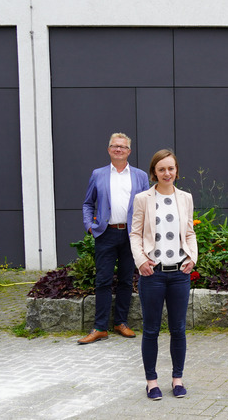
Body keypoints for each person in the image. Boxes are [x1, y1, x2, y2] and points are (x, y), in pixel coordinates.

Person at [130, 149, 197, 401]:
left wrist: (192, 256)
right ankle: (151, 382)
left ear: (176, 170)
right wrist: (141, 261)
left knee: (178, 329)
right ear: (154, 172)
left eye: (171, 168)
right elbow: (135, 234)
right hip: (152, 275)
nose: (166, 173)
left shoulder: (186, 198)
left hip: (180, 274)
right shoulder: (143, 199)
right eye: (161, 169)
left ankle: (177, 380)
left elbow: (189, 233)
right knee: (151, 330)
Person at [79, 133, 149, 344]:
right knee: (103, 280)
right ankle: (100, 327)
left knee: (127, 280)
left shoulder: (140, 176)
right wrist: (90, 226)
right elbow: (87, 203)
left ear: (129, 151)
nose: (118, 149)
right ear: (109, 149)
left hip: (131, 234)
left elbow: (147, 205)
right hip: (106, 233)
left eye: (123, 147)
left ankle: (121, 322)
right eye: (114, 146)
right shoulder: (98, 174)